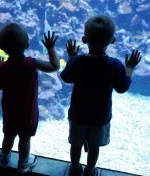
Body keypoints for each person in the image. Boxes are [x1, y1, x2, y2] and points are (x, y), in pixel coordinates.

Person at [60, 15, 141, 176]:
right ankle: (90, 171)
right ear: (113, 40)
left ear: (83, 39)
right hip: (100, 118)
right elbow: (122, 87)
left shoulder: (78, 62)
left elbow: (67, 78)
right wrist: (130, 68)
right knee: (94, 146)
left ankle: (75, 168)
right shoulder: (115, 65)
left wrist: (72, 57)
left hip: (78, 115)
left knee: (75, 145)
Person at [0, 23, 60, 173]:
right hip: (28, 112)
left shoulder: (3, 67)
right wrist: (50, 48)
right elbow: (55, 66)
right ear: (28, 44)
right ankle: (23, 164)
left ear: (1, 47)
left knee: (8, 136)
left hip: (10, 112)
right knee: (25, 138)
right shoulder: (32, 63)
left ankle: (4, 158)